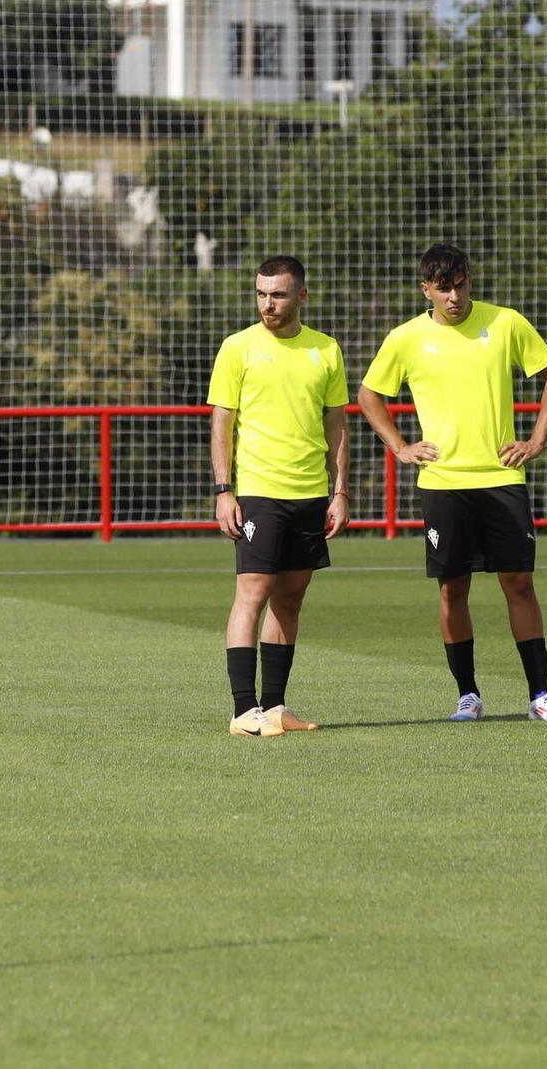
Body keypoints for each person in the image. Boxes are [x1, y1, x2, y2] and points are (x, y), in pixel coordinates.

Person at [356, 243, 547, 722]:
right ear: (426, 289)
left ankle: (540, 694)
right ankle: (468, 695)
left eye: (461, 285)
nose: (454, 296)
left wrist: (536, 440)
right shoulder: (406, 338)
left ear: (470, 282)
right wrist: (400, 446)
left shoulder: (506, 323)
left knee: (518, 581)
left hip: (501, 478)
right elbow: (369, 394)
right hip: (442, 483)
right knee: (452, 588)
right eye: (444, 288)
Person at [208, 255, 351, 737]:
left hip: (310, 493)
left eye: (278, 294)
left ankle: (273, 707)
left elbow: (337, 425)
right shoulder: (237, 348)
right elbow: (221, 424)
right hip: (258, 492)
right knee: (252, 592)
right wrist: (223, 490)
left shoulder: (326, 350)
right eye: (262, 294)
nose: (268, 303)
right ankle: (242, 710)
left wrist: (339, 491)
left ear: (301, 296)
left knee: (290, 599)